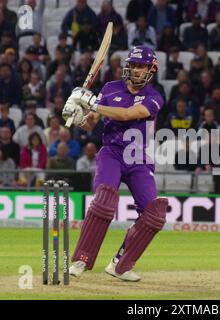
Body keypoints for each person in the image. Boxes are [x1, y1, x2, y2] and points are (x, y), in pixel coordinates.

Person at [62, 45, 168, 282]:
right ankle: (82, 259)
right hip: (111, 153)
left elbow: (127, 114)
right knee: (105, 199)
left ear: (151, 69)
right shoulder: (110, 88)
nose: (136, 70)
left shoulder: (154, 97)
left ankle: (120, 264)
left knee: (154, 214)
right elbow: (91, 123)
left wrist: (91, 103)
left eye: (141, 66)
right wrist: (77, 114)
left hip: (138, 158)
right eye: (133, 65)